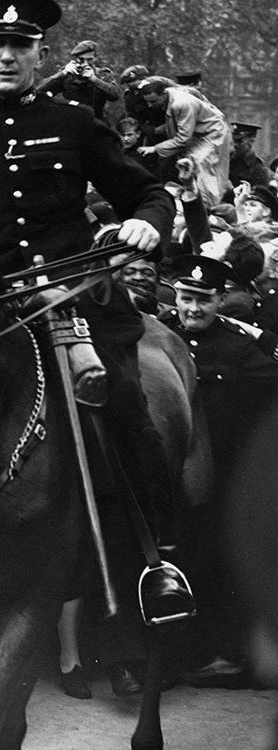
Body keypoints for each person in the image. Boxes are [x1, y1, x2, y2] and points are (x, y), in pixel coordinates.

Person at [0, 0, 188, 715]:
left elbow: (146, 189)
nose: (7, 55)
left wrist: (147, 224)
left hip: (74, 302)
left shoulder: (76, 125)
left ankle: (154, 559)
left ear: (39, 53)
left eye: (21, 43)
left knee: (121, 404)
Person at [160, 255, 278, 688]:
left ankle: (224, 658)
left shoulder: (237, 344)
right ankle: (170, 657)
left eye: (203, 300)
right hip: (167, 481)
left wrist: (259, 334)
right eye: (186, 297)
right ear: (174, 295)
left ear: (219, 300)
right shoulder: (157, 334)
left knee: (214, 570)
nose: (193, 309)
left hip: (219, 483)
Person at [138, 78, 231, 207]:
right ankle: (195, 199)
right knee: (186, 165)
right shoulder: (170, 95)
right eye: (147, 102)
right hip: (198, 134)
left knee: (200, 163)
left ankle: (209, 206)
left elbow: (183, 139)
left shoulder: (182, 104)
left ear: (164, 94)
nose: (150, 105)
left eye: (153, 101)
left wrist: (155, 148)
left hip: (213, 134)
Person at [35, 39, 120, 121]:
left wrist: (94, 79)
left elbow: (115, 95)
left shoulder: (103, 74)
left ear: (96, 57)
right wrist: (62, 74)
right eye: (81, 59)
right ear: (75, 59)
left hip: (97, 122)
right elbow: (39, 91)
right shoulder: (67, 74)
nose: (85, 63)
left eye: (89, 59)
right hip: (73, 122)